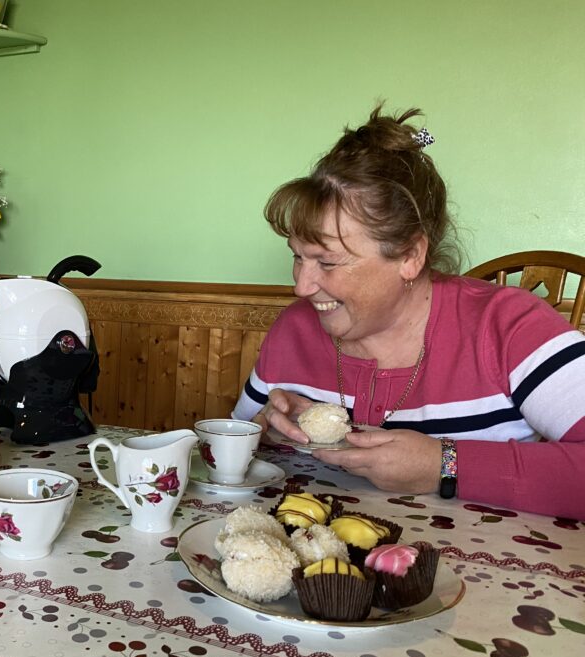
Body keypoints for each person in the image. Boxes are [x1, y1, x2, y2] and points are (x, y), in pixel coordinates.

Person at [232, 105, 585, 520]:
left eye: (327, 262)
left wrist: (444, 465)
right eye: (298, 257)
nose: (301, 286)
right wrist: (270, 428)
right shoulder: (295, 328)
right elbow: (235, 442)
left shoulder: (508, 327)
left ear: (409, 256)